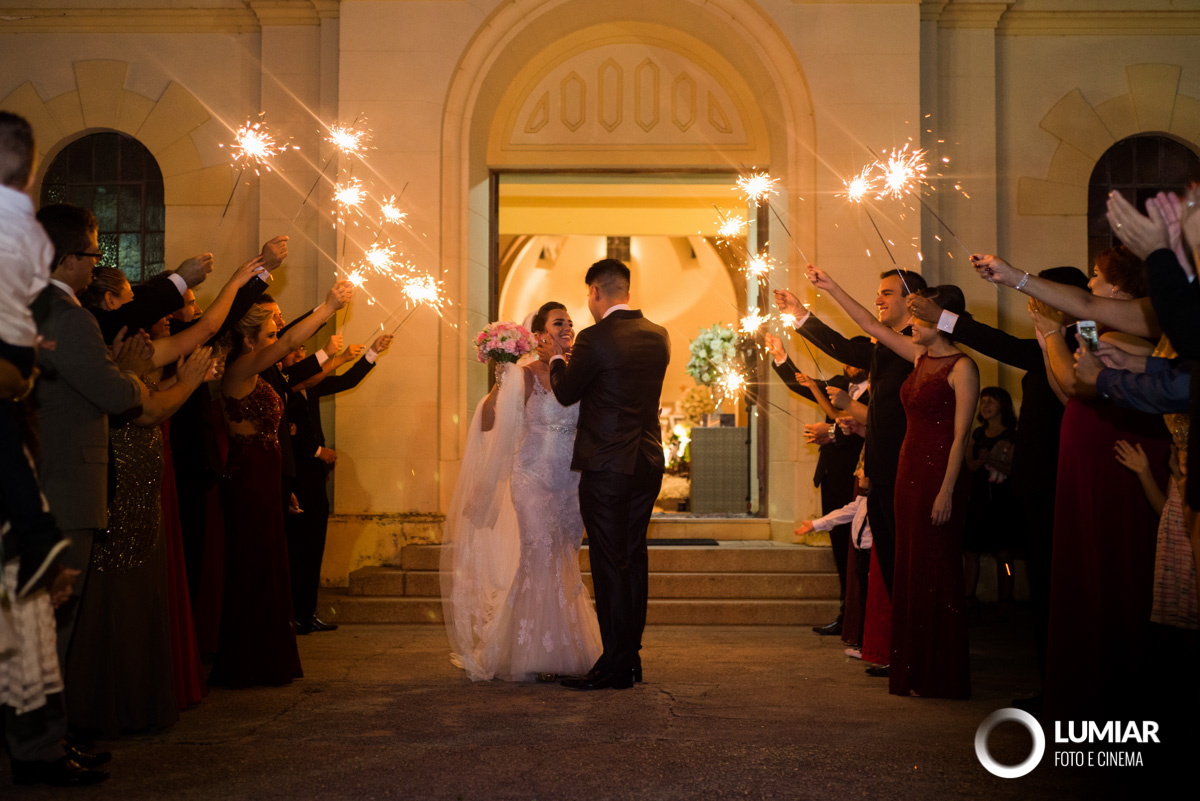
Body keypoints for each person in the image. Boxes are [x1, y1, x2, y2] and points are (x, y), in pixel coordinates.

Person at [973, 246, 1171, 720]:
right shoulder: (1093, 330)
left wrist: (1048, 334)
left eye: (1097, 277)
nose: (1090, 284)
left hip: (1114, 457)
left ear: (1118, 290)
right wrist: (1047, 338)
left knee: (1112, 568)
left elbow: (1077, 381)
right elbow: (1067, 391)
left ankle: (1117, 689)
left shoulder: (1123, 333)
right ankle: (1078, 682)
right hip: (1086, 455)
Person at [804, 265, 979, 698]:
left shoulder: (962, 366)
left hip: (938, 476)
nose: (912, 323)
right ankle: (911, 662)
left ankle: (938, 667)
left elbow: (961, 436)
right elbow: (867, 323)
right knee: (905, 569)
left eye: (921, 316)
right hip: (904, 472)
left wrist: (946, 490)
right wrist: (831, 286)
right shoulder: (917, 357)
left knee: (934, 568)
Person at [441, 303, 602, 681]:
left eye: (570, 323)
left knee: (564, 560)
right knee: (538, 556)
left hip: (572, 483)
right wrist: (502, 380)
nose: (568, 328)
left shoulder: (579, 374)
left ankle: (564, 646)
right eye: (558, 323)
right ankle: (533, 653)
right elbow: (489, 423)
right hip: (533, 480)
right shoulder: (525, 375)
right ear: (540, 334)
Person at [209, 280, 353, 688]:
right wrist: (328, 307)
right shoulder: (241, 369)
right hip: (248, 477)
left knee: (271, 563)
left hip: (267, 476)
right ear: (250, 338)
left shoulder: (260, 371)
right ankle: (250, 661)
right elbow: (291, 340)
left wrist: (282, 486)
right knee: (254, 564)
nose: (278, 339)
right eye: (270, 334)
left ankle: (269, 655)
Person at [538, 260, 670, 690]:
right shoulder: (659, 335)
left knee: (610, 563)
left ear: (595, 292)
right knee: (634, 559)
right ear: (626, 290)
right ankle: (630, 659)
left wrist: (557, 358)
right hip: (646, 461)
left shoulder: (595, 338)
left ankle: (614, 665)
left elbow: (566, 392)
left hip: (608, 465)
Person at [763, 332, 868, 639]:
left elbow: (861, 428)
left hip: (857, 476)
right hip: (831, 476)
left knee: (857, 550)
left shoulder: (878, 390)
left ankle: (859, 618)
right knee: (839, 548)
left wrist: (832, 431)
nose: (848, 365)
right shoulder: (839, 383)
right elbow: (803, 384)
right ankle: (846, 614)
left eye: (854, 359)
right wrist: (781, 356)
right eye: (846, 359)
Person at [0, 111, 64, 599]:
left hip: (7, 346)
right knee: (6, 443)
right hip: (20, 344)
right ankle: (24, 529)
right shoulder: (34, 231)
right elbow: (35, 284)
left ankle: (35, 532)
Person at [962, 387, 1020, 612]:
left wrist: (994, 462)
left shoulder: (1012, 435)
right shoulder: (977, 434)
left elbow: (1017, 469)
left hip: (1003, 503)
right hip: (978, 501)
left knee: (1004, 553)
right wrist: (979, 462)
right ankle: (968, 597)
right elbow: (967, 463)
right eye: (982, 401)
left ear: (1002, 406)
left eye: (991, 401)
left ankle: (1006, 600)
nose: (985, 405)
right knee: (971, 551)